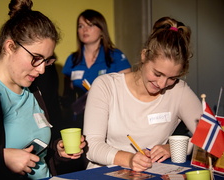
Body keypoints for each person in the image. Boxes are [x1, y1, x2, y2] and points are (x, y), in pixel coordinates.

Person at [0, 0, 86, 179]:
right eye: (36, 58)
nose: (42, 69)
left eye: (47, 61)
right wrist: (1, 157)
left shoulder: (34, 91)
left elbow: (39, 150)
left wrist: (57, 148)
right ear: (10, 47)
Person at [83, 17, 203, 172]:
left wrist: (172, 148)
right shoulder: (106, 86)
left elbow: (209, 137)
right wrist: (130, 159)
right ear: (144, 56)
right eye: (157, 73)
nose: (161, 85)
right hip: (104, 172)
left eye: (172, 78)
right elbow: (92, 146)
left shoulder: (178, 91)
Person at [62, 9, 132, 129]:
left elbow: (128, 91)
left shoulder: (115, 56)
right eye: (80, 26)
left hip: (110, 118)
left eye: (90, 25)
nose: (84, 29)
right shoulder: (72, 59)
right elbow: (67, 96)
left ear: (101, 30)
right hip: (79, 119)